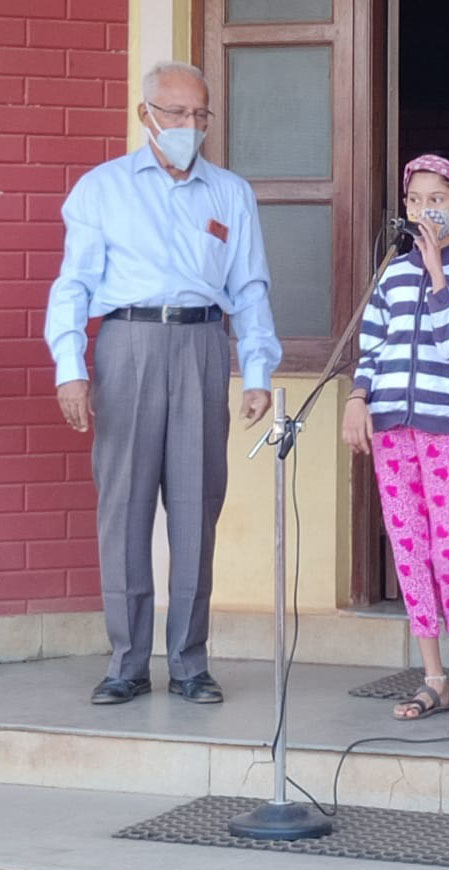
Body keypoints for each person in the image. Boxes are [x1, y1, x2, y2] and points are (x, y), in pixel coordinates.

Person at [45, 61, 282, 706]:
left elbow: (250, 288)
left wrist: (256, 369)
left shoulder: (230, 193)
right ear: (145, 114)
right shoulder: (102, 189)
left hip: (204, 344)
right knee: (123, 509)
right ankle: (126, 661)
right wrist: (72, 368)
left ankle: (189, 663)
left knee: (197, 507)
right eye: (176, 113)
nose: (188, 126)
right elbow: (73, 285)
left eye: (199, 115)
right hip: (127, 343)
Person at [342, 152, 449, 720]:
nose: (425, 209)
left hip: (444, 429)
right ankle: (431, 676)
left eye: (438, 199)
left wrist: (437, 275)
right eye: (416, 200)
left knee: (448, 545)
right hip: (390, 428)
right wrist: (358, 401)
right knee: (409, 551)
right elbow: (373, 347)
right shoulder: (391, 273)